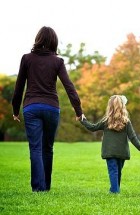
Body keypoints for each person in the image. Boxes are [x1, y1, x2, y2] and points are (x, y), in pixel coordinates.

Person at [12, 26, 83, 192]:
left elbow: (19, 86)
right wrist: (78, 110)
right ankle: (46, 186)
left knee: (35, 148)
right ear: (54, 41)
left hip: (31, 107)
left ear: (38, 39)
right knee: (48, 148)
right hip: (51, 108)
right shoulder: (57, 61)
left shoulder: (27, 58)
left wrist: (15, 110)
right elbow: (69, 87)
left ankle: (39, 188)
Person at [79, 95, 140, 193]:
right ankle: (114, 189)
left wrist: (83, 120)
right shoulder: (126, 121)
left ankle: (114, 191)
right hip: (122, 152)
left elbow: (93, 127)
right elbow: (133, 137)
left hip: (109, 151)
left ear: (109, 106)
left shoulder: (106, 120)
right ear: (123, 106)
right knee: (117, 172)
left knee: (113, 171)